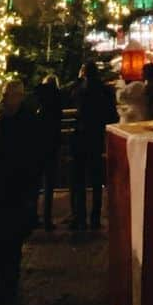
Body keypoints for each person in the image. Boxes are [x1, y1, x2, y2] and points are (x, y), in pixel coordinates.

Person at [0, 81, 41, 305]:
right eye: (5, 95)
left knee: (9, 242)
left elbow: (31, 160)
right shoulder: (6, 120)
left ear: (19, 97)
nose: (5, 99)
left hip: (14, 192)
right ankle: (4, 282)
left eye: (9, 96)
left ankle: (7, 285)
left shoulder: (26, 123)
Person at [70, 62, 118, 230]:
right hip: (97, 138)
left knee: (80, 179)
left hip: (81, 136)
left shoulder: (79, 91)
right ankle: (95, 216)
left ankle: (80, 216)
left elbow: (71, 99)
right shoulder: (105, 91)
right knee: (97, 179)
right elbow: (113, 115)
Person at [32, 75, 63, 229]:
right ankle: (47, 218)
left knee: (36, 184)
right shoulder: (57, 104)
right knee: (49, 185)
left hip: (38, 147)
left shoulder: (40, 104)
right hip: (52, 147)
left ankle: (33, 216)